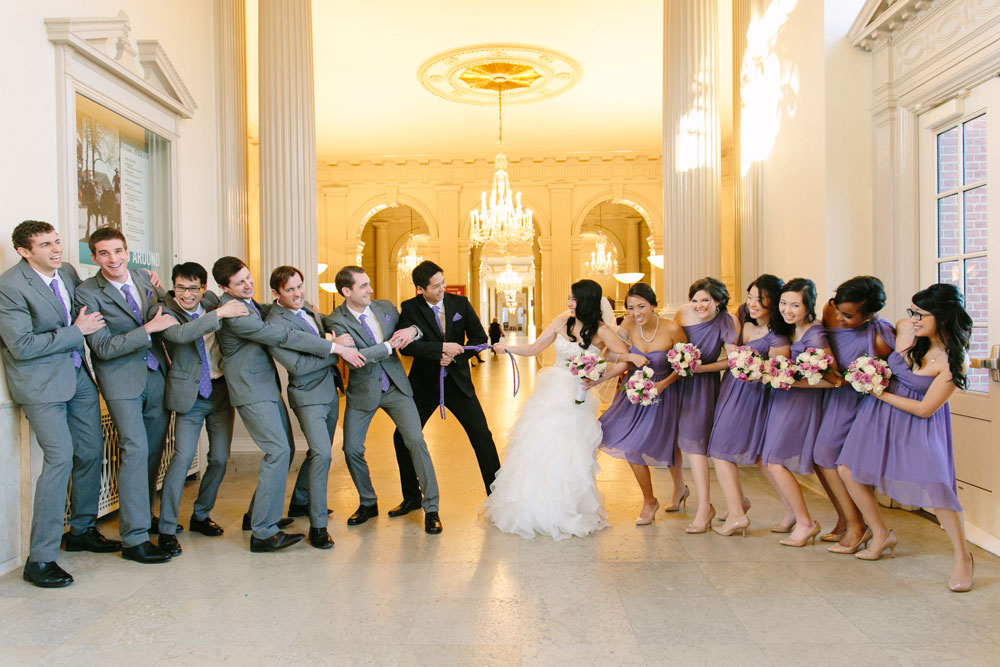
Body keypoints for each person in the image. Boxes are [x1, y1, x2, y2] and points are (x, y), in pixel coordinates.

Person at [0, 221, 119, 587]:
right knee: (60, 458)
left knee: (91, 450)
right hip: (40, 385)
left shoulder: (65, 271)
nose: (56, 249)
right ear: (24, 252)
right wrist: (75, 332)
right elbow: (21, 346)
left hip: (77, 375)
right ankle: (40, 559)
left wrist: (141, 280)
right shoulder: (9, 287)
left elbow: (92, 294)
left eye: (56, 241)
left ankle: (81, 529)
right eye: (45, 245)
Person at [838, 284, 975, 592]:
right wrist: (868, 373)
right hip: (878, 414)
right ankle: (881, 533)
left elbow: (926, 409)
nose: (913, 319)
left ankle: (963, 558)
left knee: (938, 486)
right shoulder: (904, 329)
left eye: (921, 314)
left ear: (943, 317)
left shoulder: (954, 359)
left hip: (917, 421)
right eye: (912, 312)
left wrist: (879, 392)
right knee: (848, 469)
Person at [212, 256, 343, 552]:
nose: (248, 285)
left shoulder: (248, 303)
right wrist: (333, 347)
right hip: (250, 389)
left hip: (266, 386)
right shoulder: (232, 312)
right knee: (278, 451)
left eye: (248, 278)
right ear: (224, 288)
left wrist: (302, 308)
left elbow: (270, 309)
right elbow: (280, 334)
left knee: (287, 449)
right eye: (240, 283)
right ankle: (263, 532)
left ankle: (255, 515)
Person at [485, 279, 630, 540]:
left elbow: (624, 359)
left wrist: (596, 379)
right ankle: (532, 506)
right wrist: (508, 348)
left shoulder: (603, 331)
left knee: (570, 449)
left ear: (586, 300)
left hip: (578, 395)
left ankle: (567, 508)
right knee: (539, 444)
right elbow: (534, 348)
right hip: (551, 391)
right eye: (569, 298)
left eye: (574, 299)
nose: (569, 303)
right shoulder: (562, 322)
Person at [75, 227, 177, 563]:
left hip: (156, 376)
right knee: (135, 449)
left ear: (127, 251)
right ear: (94, 257)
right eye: (104, 253)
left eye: (118, 251)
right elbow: (103, 347)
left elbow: (163, 309)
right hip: (120, 381)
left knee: (152, 452)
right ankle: (134, 539)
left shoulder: (144, 279)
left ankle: (143, 516)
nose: (113, 259)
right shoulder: (87, 292)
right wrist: (147, 330)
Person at [324, 266, 443, 534]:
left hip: (396, 388)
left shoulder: (386, 307)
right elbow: (356, 358)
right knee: (351, 449)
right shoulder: (336, 320)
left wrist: (413, 331)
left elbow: (413, 328)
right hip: (362, 391)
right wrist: (389, 346)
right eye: (363, 286)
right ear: (346, 291)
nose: (370, 289)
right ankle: (368, 502)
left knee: (416, 442)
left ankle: (431, 508)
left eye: (369, 283)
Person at [391, 261, 500, 516]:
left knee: (482, 436)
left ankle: (497, 496)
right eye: (435, 286)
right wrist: (439, 350)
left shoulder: (460, 304)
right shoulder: (410, 308)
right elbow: (405, 347)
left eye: (443, 283)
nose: (442, 289)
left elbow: (479, 339)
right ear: (420, 289)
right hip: (424, 385)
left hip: (458, 384)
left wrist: (455, 356)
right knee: (401, 438)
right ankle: (412, 497)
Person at [154, 262, 249, 556]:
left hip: (220, 392)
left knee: (219, 458)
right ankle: (166, 529)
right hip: (190, 397)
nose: (187, 294)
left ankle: (201, 514)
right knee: (182, 459)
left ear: (204, 288)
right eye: (180, 288)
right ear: (173, 288)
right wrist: (218, 314)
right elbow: (181, 335)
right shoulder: (168, 312)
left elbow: (249, 304)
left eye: (193, 288)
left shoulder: (211, 301)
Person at [266, 266, 362, 549]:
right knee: (322, 454)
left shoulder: (307, 308)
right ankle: (318, 526)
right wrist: (336, 349)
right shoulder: (275, 323)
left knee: (318, 451)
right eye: (289, 290)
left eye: (299, 286)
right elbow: (298, 366)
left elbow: (323, 330)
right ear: (276, 294)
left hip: (330, 391)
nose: (297, 294)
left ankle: (300, 500)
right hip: (307, 396)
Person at [591, 283, 688, 525]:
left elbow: (684, 364)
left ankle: (679, 488)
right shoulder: (627, 325)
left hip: (664, 391)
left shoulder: (672, 328)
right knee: (631, 447)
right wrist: (629, 356)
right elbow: (609, 354)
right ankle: (649, 500)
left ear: (654, 304)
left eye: (641, 306)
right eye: (631, 308)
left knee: (669, 442)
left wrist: (662, 384)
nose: (636, 313)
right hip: (632, 392)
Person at [814, 277, 893, 553]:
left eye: (848, 316)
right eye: (838, 310)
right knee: (819, 458)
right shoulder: (829, 310)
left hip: (856, 402)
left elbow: (892, 376)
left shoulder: (880, 337)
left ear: (869, 315)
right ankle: (845, 519)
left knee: (828, 456)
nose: (839, 318)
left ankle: (857, 526)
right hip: (828, 395)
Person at [707, 274, 790, 537]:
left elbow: (777, 375)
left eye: (760, 300)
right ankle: (786, 511)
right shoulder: (743, 314)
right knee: (745, 454)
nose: (752, 304)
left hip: (753, 394)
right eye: (750, 297)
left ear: (773, 302)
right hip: (731, 388)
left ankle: (737, 515)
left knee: (721, 450)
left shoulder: (778, 337)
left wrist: (754, 367)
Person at [759, 278, 836, 547]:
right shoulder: (790, 329)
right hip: (781, 400)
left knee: (774, 462)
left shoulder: (816, 334)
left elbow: (833, 379)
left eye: (795, 305)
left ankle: (806, 522)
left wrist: (791, 382)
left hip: (800, 403)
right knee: (768, 459)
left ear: (808, 306)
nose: (787, 310)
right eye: (783, 303)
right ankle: (795, 515)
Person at [673, 277, 739, 533]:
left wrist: (701, 368)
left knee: (697, 446)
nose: (699, 305)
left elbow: (733, 360)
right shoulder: (682, 312)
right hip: (679, 382)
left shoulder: (728, 320)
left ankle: (704, 508)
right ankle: (739, 502)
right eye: (695, 300)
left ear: (718, 301)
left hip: (704, 384)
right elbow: (671, 342)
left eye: (706, 300)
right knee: (687, 442)